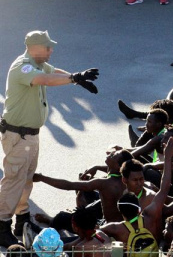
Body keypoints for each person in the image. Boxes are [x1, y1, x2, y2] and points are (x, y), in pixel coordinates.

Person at [0, 30, 99, 247]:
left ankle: (22, 218)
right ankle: (2, 224)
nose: (51, 50)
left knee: (26, 178)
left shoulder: (38, 63)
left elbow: (53, 72)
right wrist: (74, 78)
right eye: (47, 47)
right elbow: (44, 79)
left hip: (29, 135)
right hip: (18, 135)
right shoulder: (23, 67)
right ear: (34, 48)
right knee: (13, 179)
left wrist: (76, 78)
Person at [100, 136, 173, 243]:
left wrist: (168, 158)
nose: (140, 183)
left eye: (141, 179)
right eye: (135, 180)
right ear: (124, 180)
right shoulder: (125, 196)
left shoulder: (150, 198)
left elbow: (164, 188)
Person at [33, 150, 134, 224]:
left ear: (117, 167)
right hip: (113, 218)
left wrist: (42, 178)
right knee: (87, 192)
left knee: (62, 217)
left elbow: (69, 185)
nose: (110, 153)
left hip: (107, 227)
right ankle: (76, 213)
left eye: (113, 155)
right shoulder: (124, 178)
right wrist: (96, 167)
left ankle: (50, 223)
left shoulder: (105, 183)